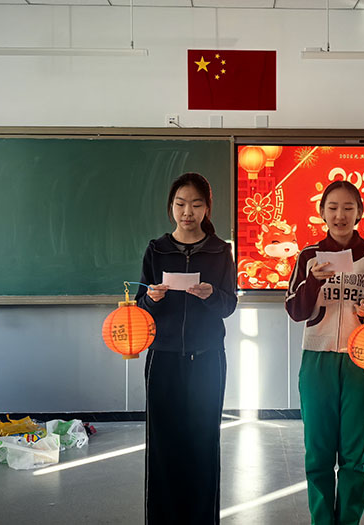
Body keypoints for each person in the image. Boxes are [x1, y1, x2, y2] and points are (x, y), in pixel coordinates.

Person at [285, 180, 364, 525]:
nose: (340, 215)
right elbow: (294, 310)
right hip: (317, 358)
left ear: (360, 212)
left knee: (354, 453)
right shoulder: (308, 257)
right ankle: (322, 520)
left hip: (361, 361)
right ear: (322, 212)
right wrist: (314, 280)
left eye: (348, 207)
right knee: (318, 452)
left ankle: (349, 520)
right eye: (332, 207)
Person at [135, 172, 237, 525]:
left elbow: (229, 305)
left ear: (207, 208)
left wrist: (211, 296)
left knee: (203, 442)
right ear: (171, 207)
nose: (187, 212)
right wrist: (152, 299)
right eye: (180, 204)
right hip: (163, 359)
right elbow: (140, 305)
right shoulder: (157, 249)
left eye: (195, 204)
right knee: (163, 446)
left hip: (208, 358)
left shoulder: (220, 251)